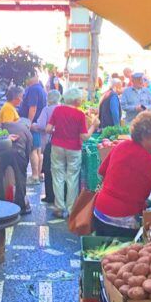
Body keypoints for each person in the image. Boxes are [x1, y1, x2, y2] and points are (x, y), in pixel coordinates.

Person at [46, 88, 99, 218]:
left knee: (58, 175)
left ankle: (59, 207)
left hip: (57, 146)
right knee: (72, 177)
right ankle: (70, 209)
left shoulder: (57, 110)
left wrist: (58, 133)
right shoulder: (79, 114)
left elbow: (48, 129)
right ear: (76, 100)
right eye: (80, 99)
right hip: (74, 148)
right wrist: (94, 126)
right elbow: (84, 136)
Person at [19, 75, 47, 184]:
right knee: (38, 150)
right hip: (38, 123)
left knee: (33, 150)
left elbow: (33, 107)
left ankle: (35, 175)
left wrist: (28, 123)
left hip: (32, 124)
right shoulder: (40, 89)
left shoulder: (33, 89)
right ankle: (39, 174)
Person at [35, 89, 62, 204]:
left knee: (48, 169)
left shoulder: (46, 110)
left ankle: (49, 195)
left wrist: (34, 126)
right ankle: (59, 196)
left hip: (49, 143)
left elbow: (41, 125)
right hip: (63, 143)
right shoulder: (62, 109)